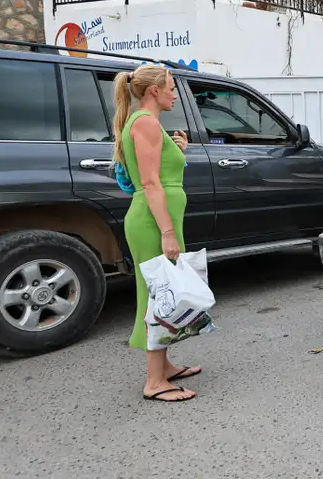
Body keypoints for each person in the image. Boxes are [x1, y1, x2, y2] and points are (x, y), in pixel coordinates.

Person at [114, 64, 197, 402]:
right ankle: (154, 382)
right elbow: (149, 183)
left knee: (166, 291)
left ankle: (165, 367)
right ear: (153, 92)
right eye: (172, 88)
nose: (175, 94)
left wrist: (180, 151)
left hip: (158, 218)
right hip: (152, 221)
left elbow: (162, 173)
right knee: (156, 295)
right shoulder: (145, 123)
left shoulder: (149, 124)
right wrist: (166, 231)